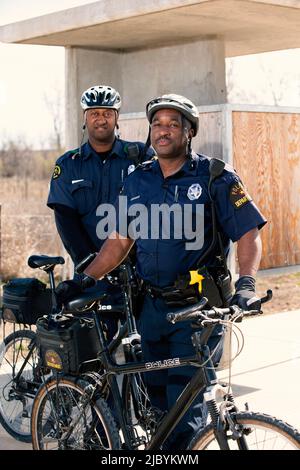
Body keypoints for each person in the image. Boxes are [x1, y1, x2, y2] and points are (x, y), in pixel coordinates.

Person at [56, 93, 267, 450]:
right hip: (150, 311)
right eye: (157, 124)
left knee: (187, 413)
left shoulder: (215, 176)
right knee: (157, 405)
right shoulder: (138, 180)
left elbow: (248, 232)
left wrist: (246, 283)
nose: (163, 131)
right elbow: (119, 242)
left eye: (173, 124)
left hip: (197, 312)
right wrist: (85, 278)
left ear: (189, 132)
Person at [48, 84, 154, 339]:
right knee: (93, 350)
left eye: (107, 113)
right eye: (94, 113)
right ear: (85, 118)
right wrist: (89, 262)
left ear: (117, 118)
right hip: (91, 272)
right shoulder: (68, 165)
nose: (101, 118)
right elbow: (65, 217)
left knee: (140, 347)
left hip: (137, 273)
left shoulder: (139, 156)